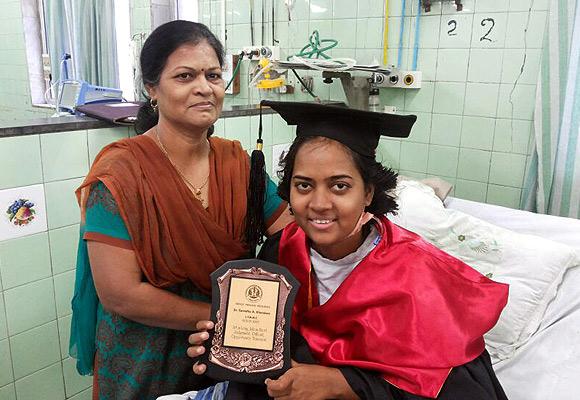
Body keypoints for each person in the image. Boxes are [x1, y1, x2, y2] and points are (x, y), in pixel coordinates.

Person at [187, 101, 510, 399]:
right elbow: (269, 355)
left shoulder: (417, 273)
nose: (319, 204)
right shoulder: (279, 252)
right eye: (304, 185)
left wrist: (343, 384)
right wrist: (226, 351)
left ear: (368, 192)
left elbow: (463, 388)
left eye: (340, 186)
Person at [69, 22, 291, 400]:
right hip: (143, 355)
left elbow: (291, 238)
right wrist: (231, 317)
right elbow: (120, 294)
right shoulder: (121, 174)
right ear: (152, 89)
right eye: (185, 76)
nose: (204, 87)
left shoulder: (239, 165)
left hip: (225, 354)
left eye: (213, 75)